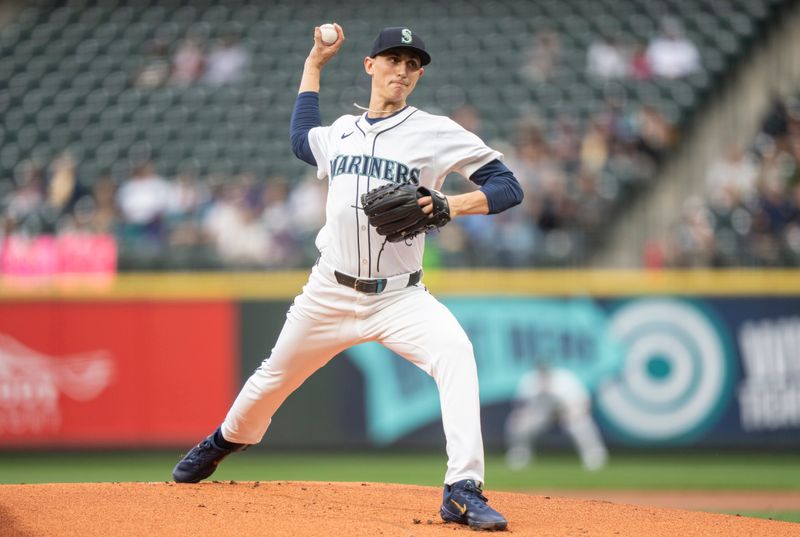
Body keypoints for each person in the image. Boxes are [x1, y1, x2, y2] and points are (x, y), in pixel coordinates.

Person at [172, 24, 523, 532]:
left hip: (401, 299)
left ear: (418, 75)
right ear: (369, 65)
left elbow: (507, 187)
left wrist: (449, 204)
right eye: (393, 59)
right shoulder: (340, 131)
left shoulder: (436, 131)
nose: (402, 69)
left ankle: (462, 490)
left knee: (458, 356)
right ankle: (225, 439)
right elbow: (299, 139)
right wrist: (314, 64)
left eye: (412, 64)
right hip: (329, 292)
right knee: (272, 379)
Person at [505, 363, 608, 472]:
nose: (543, 374)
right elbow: (521, 404)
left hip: (566, 410)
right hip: (541, 412)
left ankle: (594, 455)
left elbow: (582, 402)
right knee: (518, 422)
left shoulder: (565, 379)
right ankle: (519, 455)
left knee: (581, 423)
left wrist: (576, 413)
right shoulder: (530, 379)